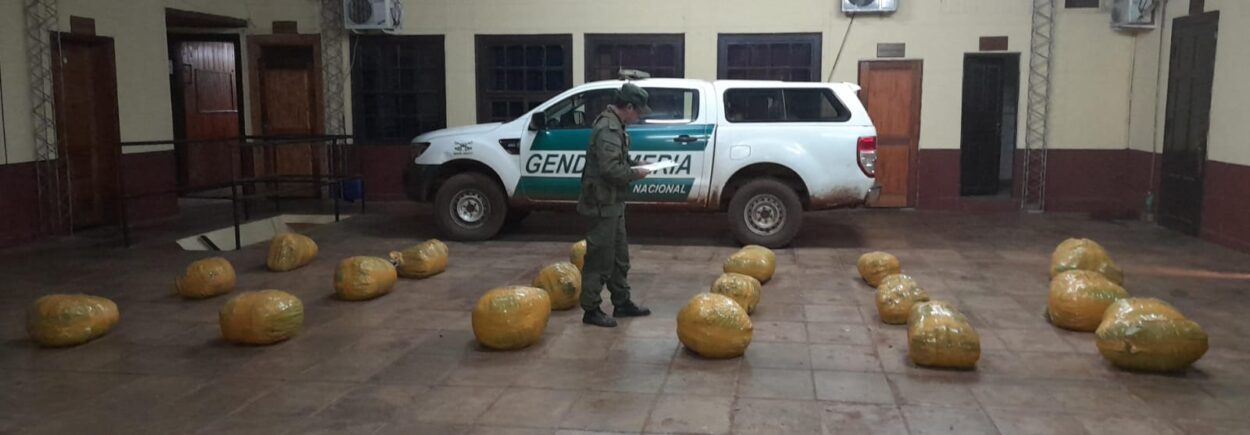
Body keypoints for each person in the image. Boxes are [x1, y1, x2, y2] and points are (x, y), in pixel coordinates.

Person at [577, 82, 654, 327]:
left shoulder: (617, 125)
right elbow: (610, 169)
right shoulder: (608, 128)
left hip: (614, 202)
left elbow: (617, 160)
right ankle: (591, 310)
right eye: (638, 112)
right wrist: (635, 173)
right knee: (599, 259)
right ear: (628, 106)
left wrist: (635, 163)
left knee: (620, 258)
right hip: (602, 204)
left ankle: (622, 303)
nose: (639, 117)